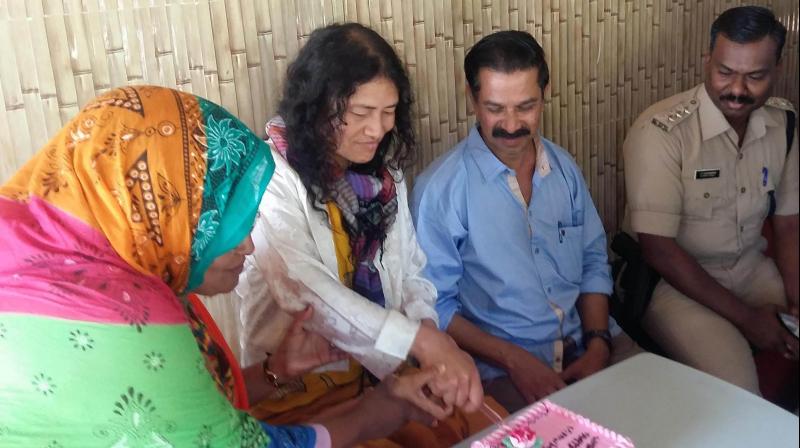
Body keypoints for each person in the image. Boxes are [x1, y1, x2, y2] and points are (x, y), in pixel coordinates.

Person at [0, 85, 451, 447]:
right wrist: (380, 411)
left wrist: (277, 371)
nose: (249, 245)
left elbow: (193, 410)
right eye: (226, 222)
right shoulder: (125, 318)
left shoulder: (42, 248)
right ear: (163, 211)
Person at [236, 23, 498, 445]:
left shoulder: (385, 176)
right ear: (318, 105)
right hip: (292, 401)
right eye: (360, 114)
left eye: (389, 112)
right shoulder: (271, 176)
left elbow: (411, 272)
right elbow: (304, 292)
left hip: (378, 385)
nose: (377, 130)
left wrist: (425, 347)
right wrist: (420, 341)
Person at [411, 30, 641, 414]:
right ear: (471, 99)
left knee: (675, 416)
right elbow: (435, 307)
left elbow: (591, 260)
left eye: (526, 106)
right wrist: (515, 361)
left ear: (545, 94)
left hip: (590, 342)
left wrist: (599, 341)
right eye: (495, 108)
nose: (512, 124)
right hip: (498, 370)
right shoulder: (440, 190)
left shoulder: (563, 168)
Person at [622, 5, 799, 395]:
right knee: (739, 389)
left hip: (752, 268)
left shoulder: (782, 124)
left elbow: (788, 223)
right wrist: (750, 320)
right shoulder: (662, 133)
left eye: (755, 76)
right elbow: (659, 251)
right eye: (725, 72)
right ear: (707, 62)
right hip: (678, 285)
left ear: (777, 69)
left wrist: (795, 302)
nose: (737, 89)